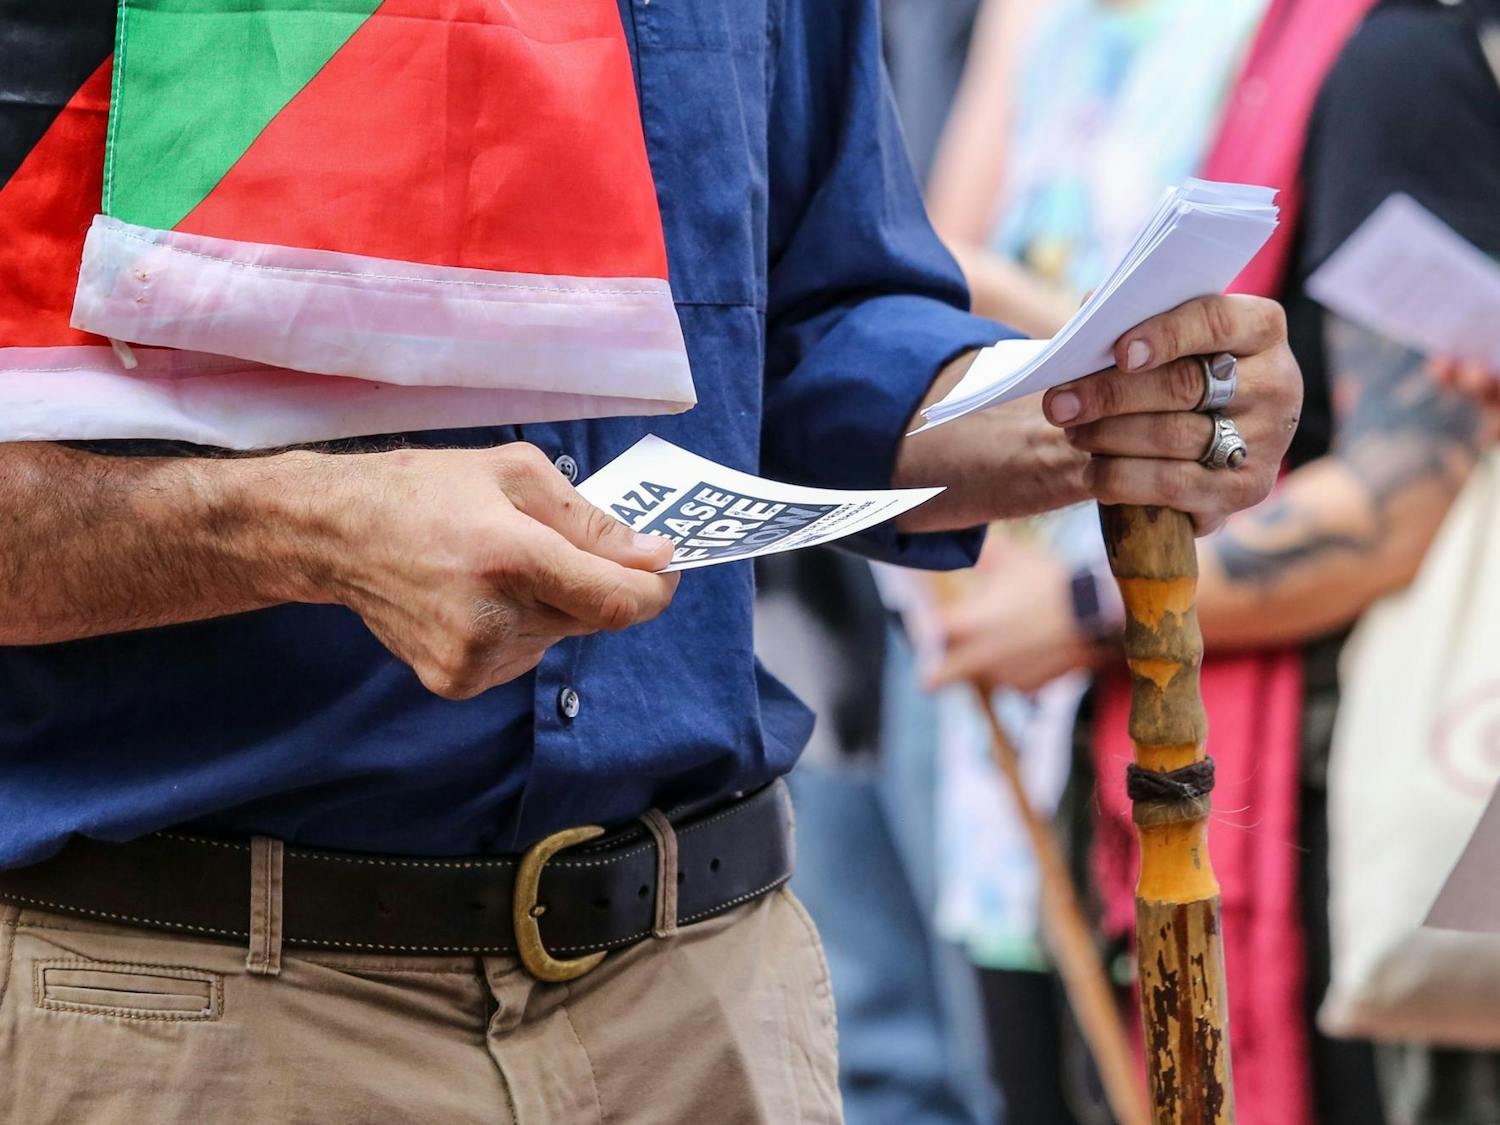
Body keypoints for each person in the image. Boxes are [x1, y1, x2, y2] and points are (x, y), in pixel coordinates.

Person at [0, 0, 1302, 1121]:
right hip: (197, 1009)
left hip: (708, 999)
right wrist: (309, 531)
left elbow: (813, 318)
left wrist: (1058, 401)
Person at [933, 0, 1500, 1121]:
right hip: (1055, 770)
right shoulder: (1057, 36)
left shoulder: (1380, 61)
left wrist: (1085, 605)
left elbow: (1404, 489)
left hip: (1315, 793)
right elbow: (926, 272)